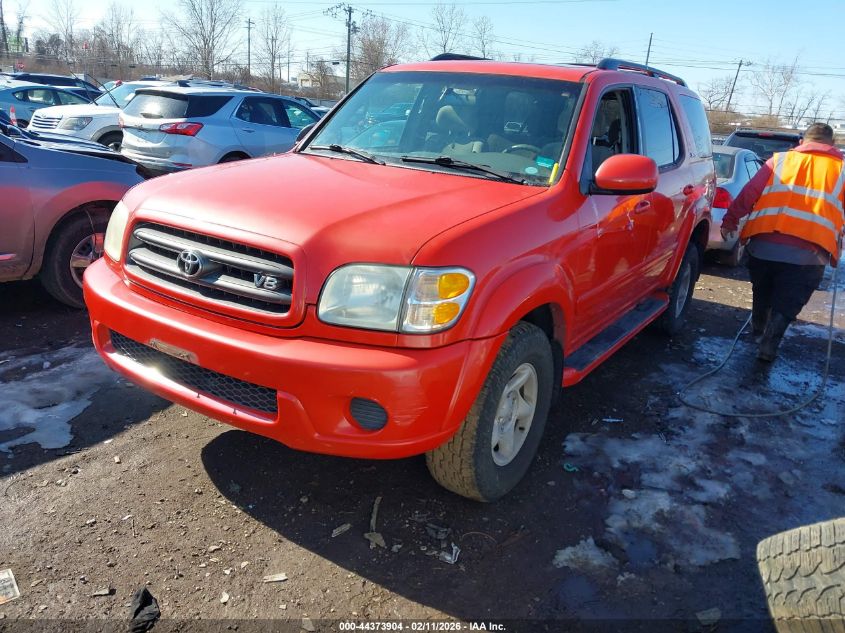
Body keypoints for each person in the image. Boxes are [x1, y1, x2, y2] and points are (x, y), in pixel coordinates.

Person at [721, 122, 844, 362]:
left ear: (802, 143)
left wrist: (730, 220)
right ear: (832, 145)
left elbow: (749, 193)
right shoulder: (841, 170)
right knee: (789, 299)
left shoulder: (778, 162)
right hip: (810, 253)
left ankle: (758, 331)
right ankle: (769, 343)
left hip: (764, 245)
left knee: (762, 291)